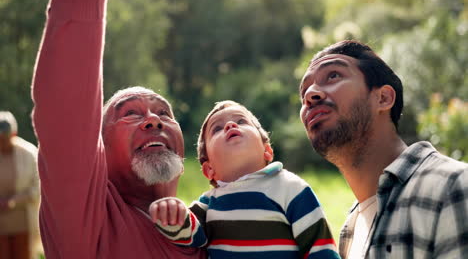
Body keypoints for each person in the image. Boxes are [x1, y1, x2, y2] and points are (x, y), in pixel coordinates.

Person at [31, 0, 206, 258]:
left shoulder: (211, 228)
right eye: (130, 113)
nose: (153, 119)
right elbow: (66, 106)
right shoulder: (87, 220)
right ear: (99, 147)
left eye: (163, 112)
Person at [299, 40, 468, 258]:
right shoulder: (350, 229)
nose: (310, 94)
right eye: (304, 91)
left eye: (333, 76)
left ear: (383, 98)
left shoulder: (453, 185)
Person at [149, 100, 340, 259]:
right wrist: (173, 215)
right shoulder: (210, 202)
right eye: (217, 129)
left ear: (267, 150)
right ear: (209, 169)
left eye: (241, 121)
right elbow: (192, 236)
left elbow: (320, 247)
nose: (230, 125)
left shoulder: (290, 188)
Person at [0, 111, 41, 259]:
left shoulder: (29, 154)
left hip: (22, 224)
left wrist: (13, 201)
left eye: (5, 137)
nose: (2, 142)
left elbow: (36, 188)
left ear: (13, 134)